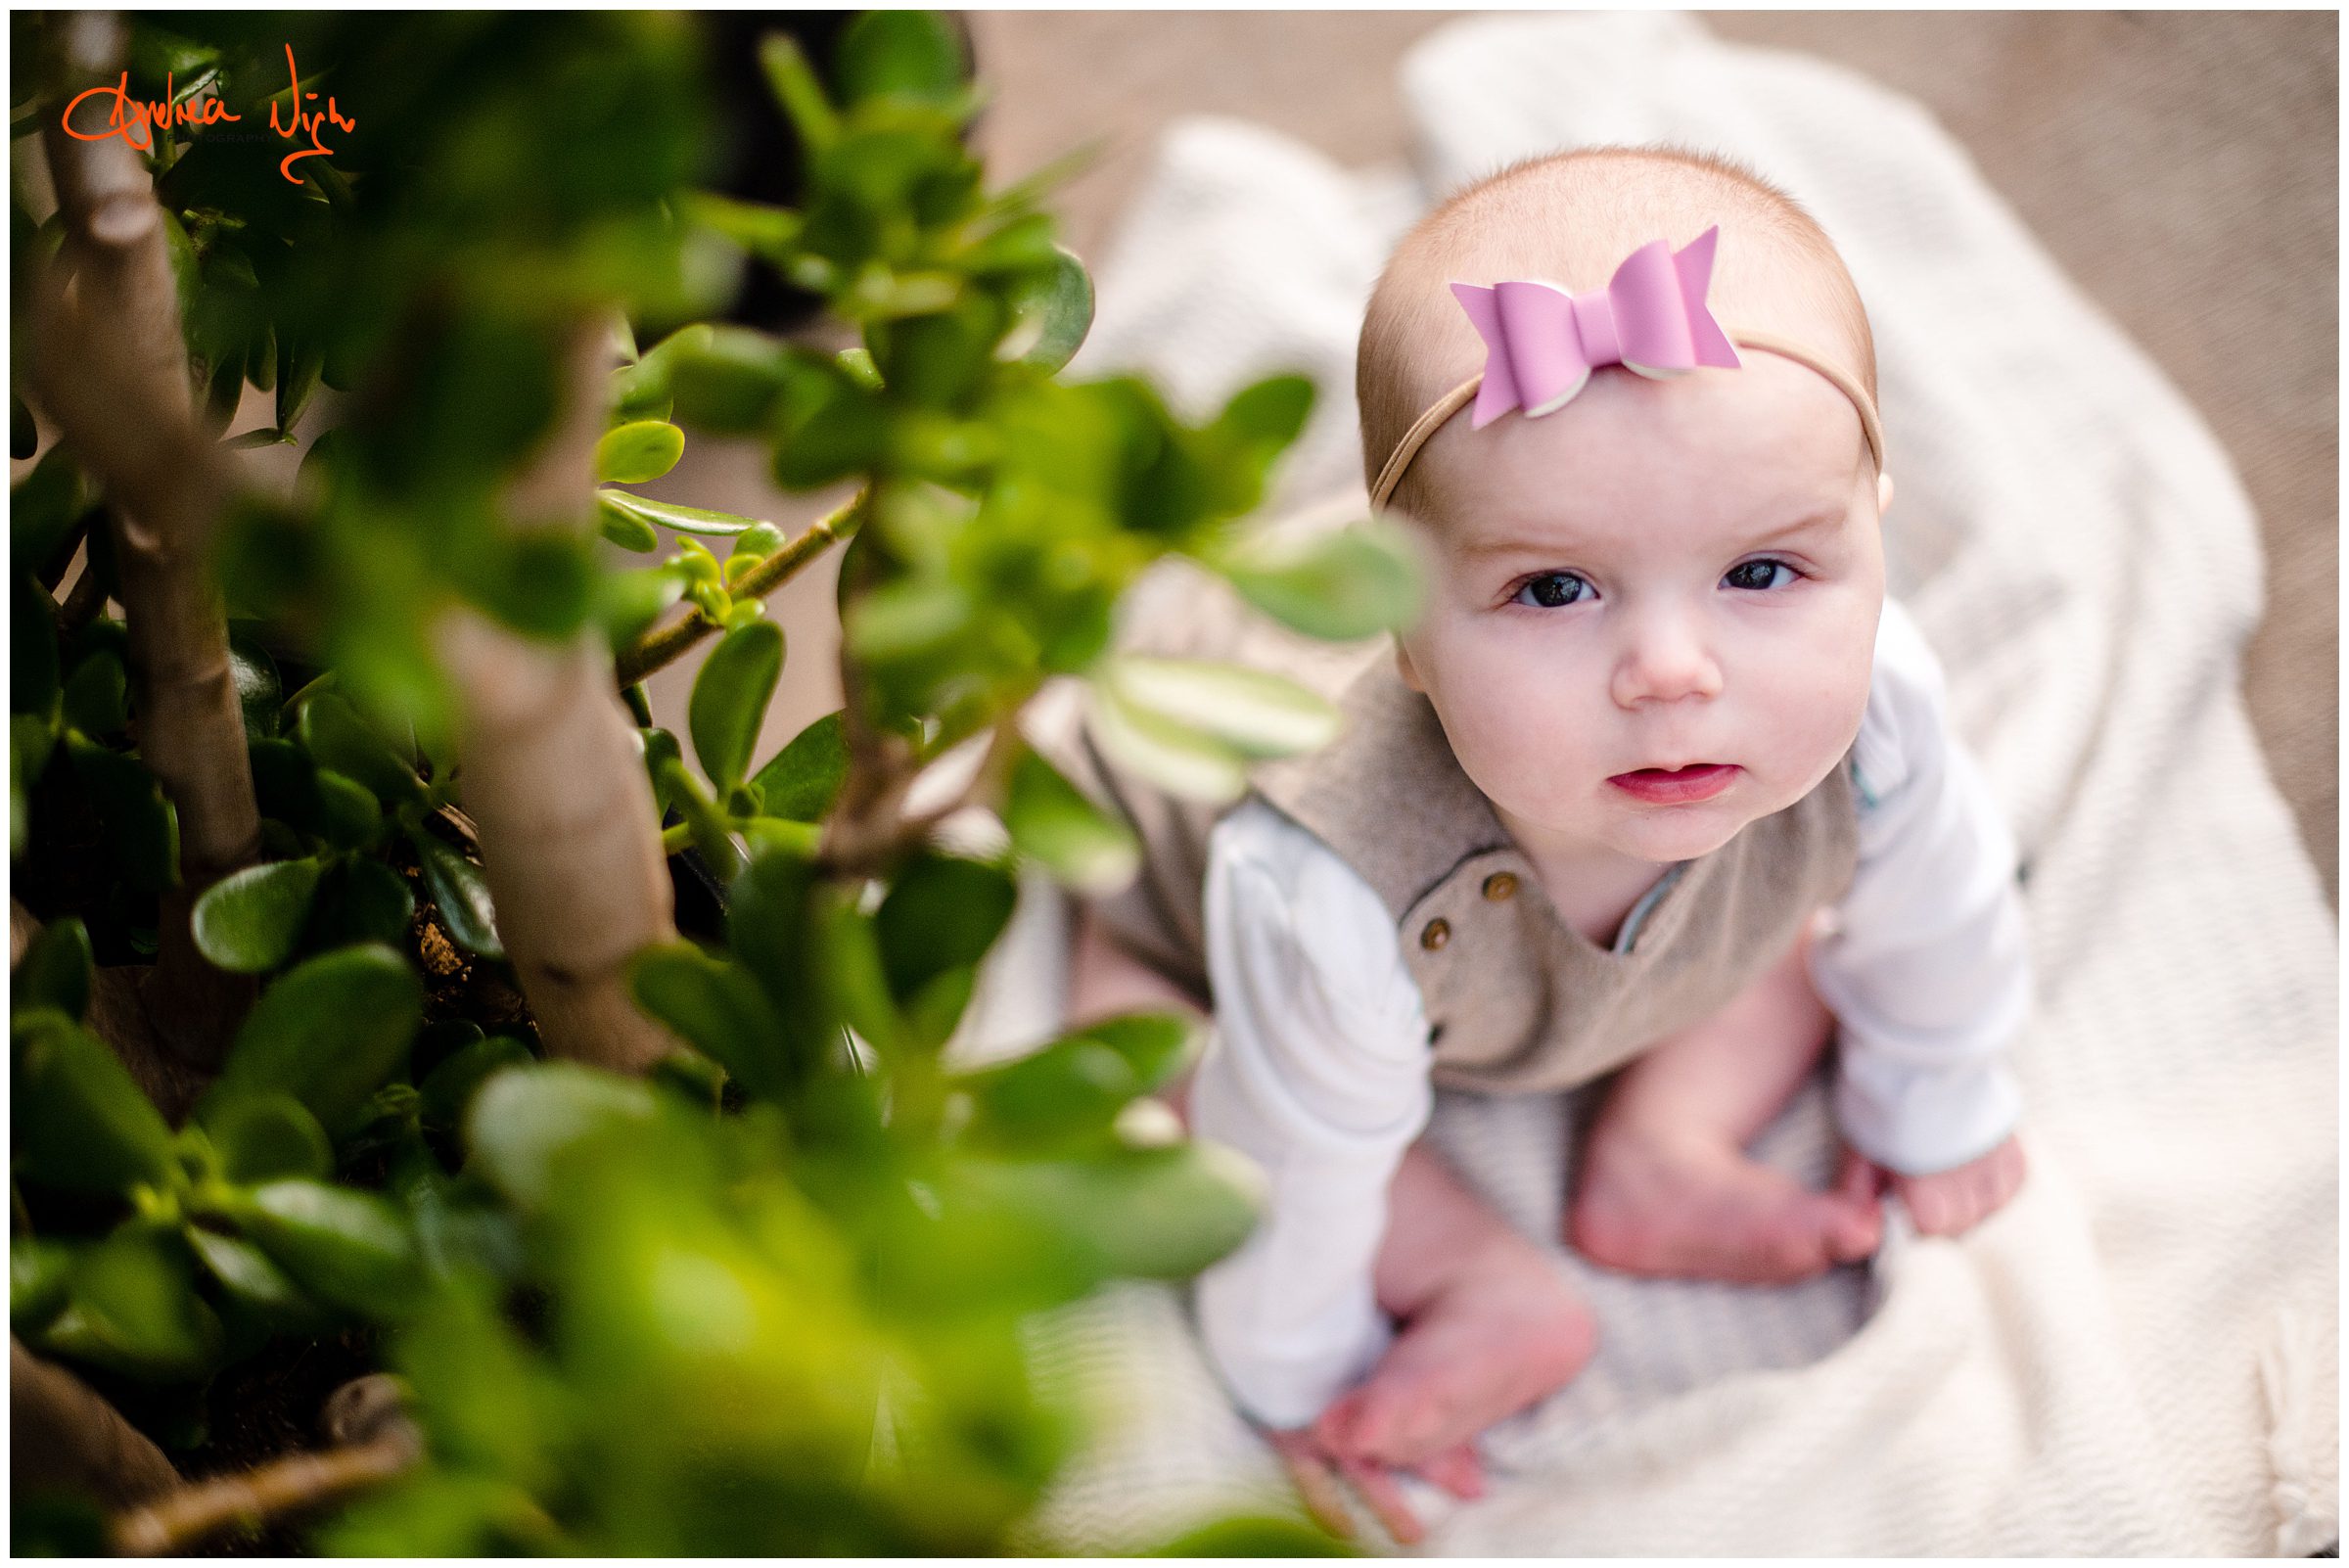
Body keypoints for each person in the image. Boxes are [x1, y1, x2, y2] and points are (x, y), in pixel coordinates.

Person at [1054, 143, 2032, 1544]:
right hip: (1192, 913)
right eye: (1556, 587)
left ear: (1873, 538)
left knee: (1816, 930)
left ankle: (1666, 1144)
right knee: (1154, 1064)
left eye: (1764, 572)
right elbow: (1301, 1159)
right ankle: (1482, 1276)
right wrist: (1293, 1366)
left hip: (1631, 954)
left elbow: (1942, 913)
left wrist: (1939, 1089)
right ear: (1403, 621)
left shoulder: (1869, 717)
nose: (1673, 670)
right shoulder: (1321, 872)